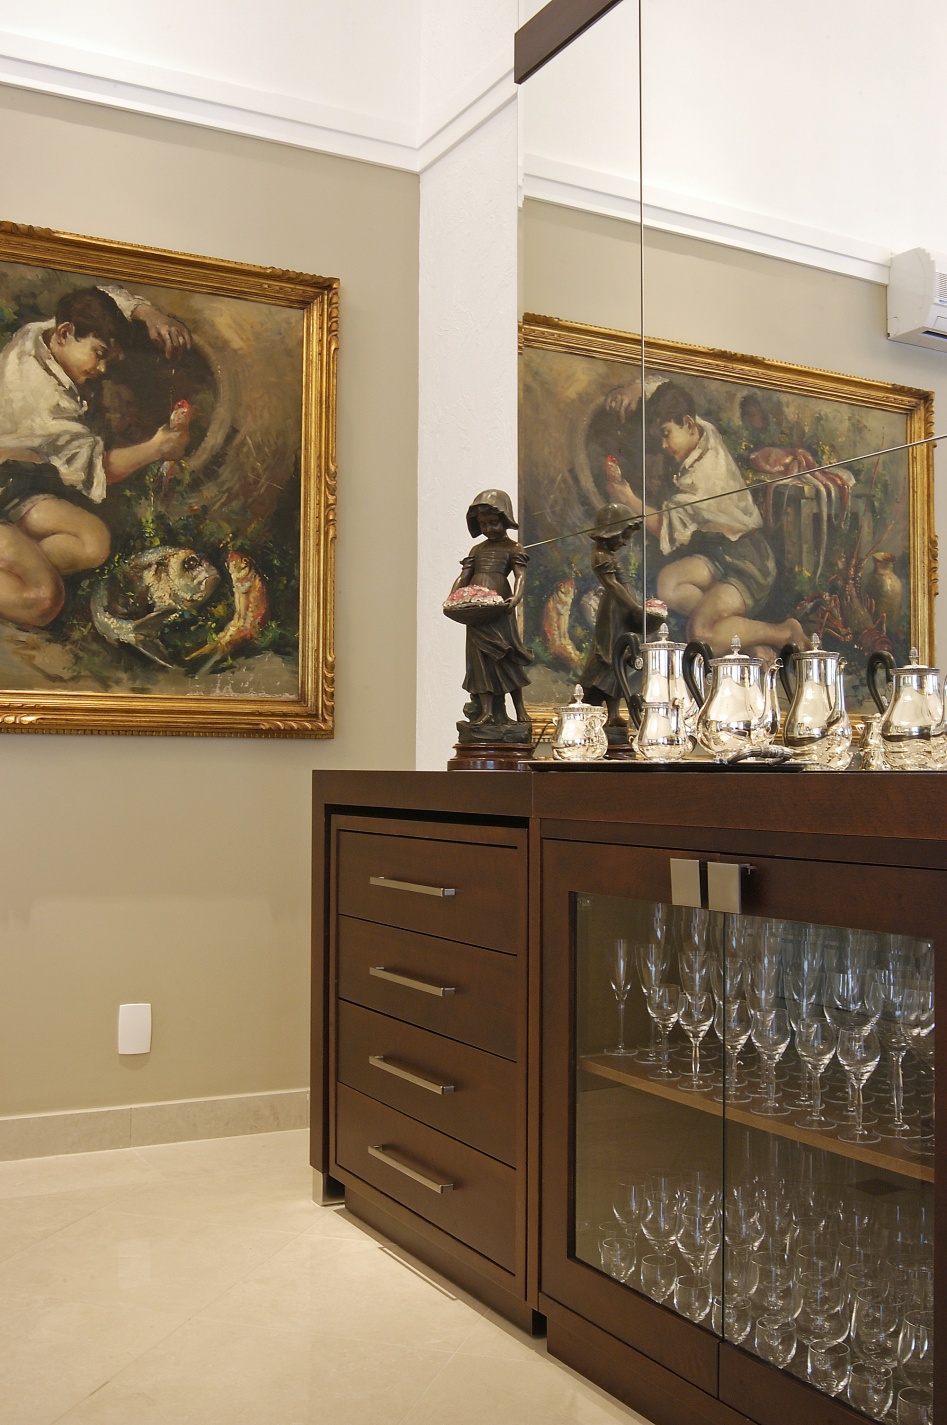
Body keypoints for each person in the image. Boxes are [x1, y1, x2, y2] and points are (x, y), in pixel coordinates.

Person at [0, 284, 191, 629]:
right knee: (44, 599)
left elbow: (97, 297)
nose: (102, 369)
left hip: (12, 484)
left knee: (93, 542)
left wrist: (146, 313)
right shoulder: (40, 399)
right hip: (4, 486)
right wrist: (158, 448)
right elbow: (95, 468)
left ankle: (16, 561)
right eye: (98, 354)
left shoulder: (39, 336)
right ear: (65, 333)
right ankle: (20, 569)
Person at [607, 380, 806, 660]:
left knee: (700, 633)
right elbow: (665, 389)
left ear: (688, 424)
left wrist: (627, 498)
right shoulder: (702, 430)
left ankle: (784, 632)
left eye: (666, 434)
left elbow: (664, 526)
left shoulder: (703, 479)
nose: (663, 445)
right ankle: (744, 638)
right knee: (669, 584)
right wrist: (636, 388)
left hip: (748, 563)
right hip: (719, 552)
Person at [449, 488, 532, 724]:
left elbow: (520, 576)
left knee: (507, 658)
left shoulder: (513, 548)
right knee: (479, 662)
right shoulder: (477, 550)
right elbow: (464, 576)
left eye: (494, 523)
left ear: (505, 520)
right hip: (475, 610)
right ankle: (487, 711)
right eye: (483, 524)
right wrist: (453, 597)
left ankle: (520, 710)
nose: (488, 529)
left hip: (500, 609)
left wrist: (516, 598)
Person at [580, 502, 661, 726]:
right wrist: (634, 608)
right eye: (623, 536)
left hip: (621, 609)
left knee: (621, 659)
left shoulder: (607, 554)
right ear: (610, 531)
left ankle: (614, 713)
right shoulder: (600, 556)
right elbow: (613, 586)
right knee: (609, 656)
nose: (625, 542)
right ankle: (585, 704)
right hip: (614, 612)